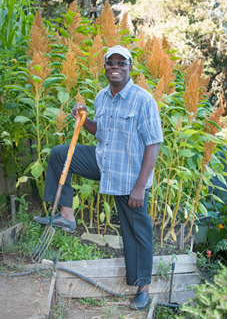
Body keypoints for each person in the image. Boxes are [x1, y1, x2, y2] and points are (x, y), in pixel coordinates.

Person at [34, 45, 163, 310]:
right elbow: (101, 132)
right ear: (104, 67)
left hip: (129, 176)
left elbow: (153, 144)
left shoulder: (143, 100)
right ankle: (67, 216)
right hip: (104, 162)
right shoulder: (102, 97)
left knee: (136, 231)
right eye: (110, 62)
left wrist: (140, 186)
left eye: (121, 63)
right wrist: (84, 117)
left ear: (129, 67)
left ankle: (142, 288)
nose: (115, 66)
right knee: (60, 155)